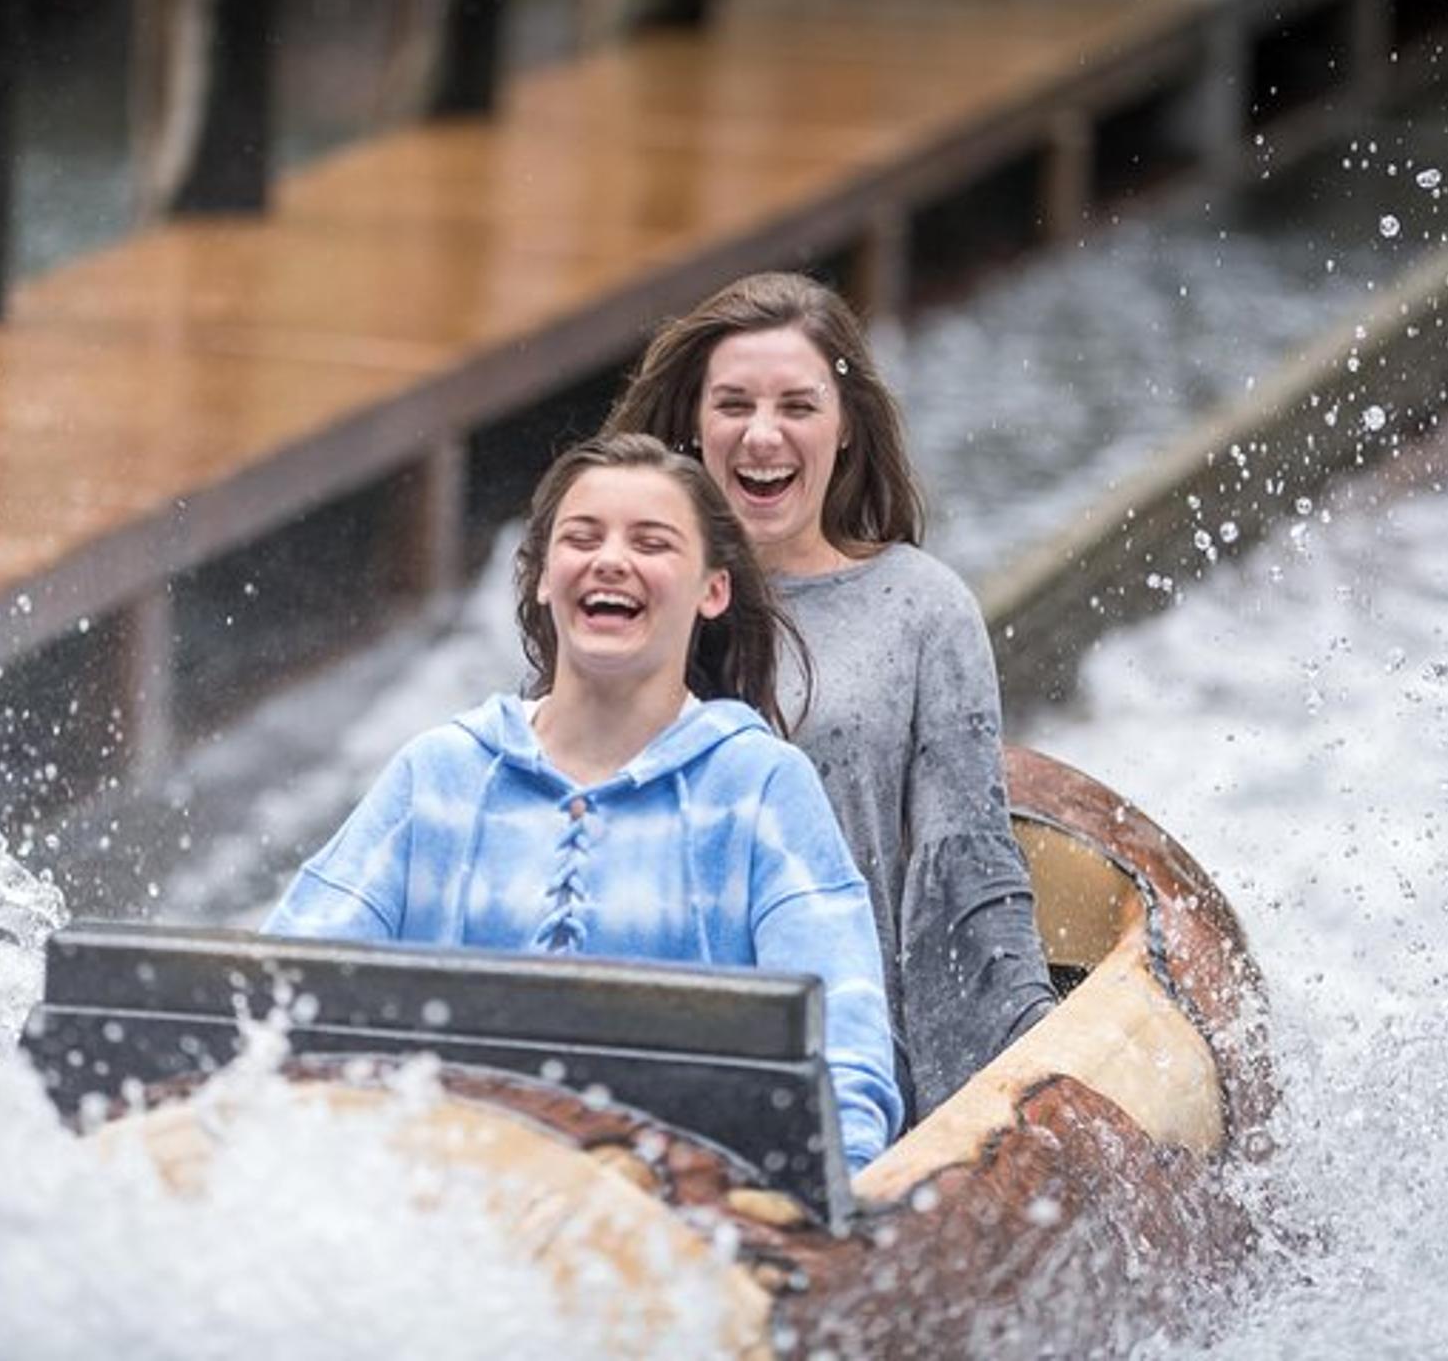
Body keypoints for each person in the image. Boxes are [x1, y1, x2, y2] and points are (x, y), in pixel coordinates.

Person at [263, 432, 903, 1172]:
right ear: (539, 578)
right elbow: (283, 998)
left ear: (712, 589)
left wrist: (838, 1209)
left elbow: (844, 1053)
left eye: (652, 542)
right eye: (582, 537)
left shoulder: (760, 788)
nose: (610, 559)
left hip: (686, 1221)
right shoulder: (440, 774)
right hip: (446, 1202)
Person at [603, 271, 1055, 1121]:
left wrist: (1029, 1091)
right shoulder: (619, 597)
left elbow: (969, 873)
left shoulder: (923, 609)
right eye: (733, 405)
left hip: (844, 1075)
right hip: (645, 1061)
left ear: (844, 428)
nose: (762, 434)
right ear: (693, 429)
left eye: (797, 406)